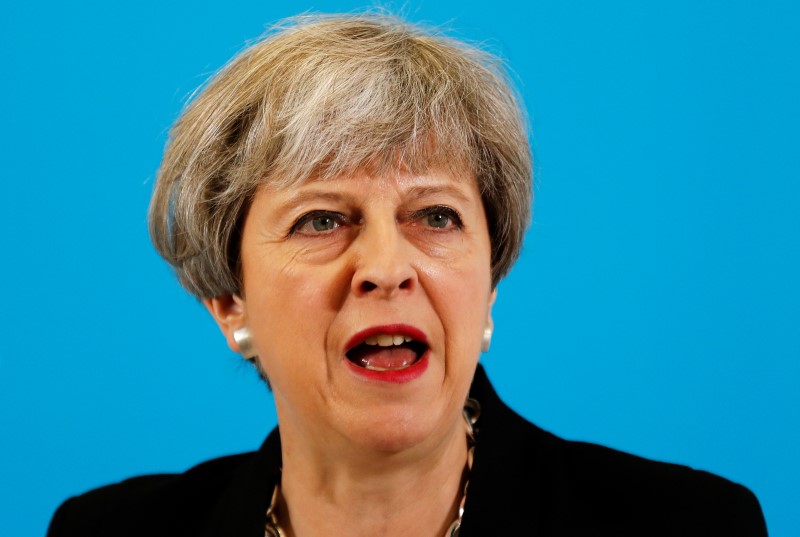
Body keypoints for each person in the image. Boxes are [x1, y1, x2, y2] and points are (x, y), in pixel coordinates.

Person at [47, 13, 767, 537]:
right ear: (229, 300)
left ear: (488, 287)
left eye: (435, 216)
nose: (387, 268)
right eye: (322, 219)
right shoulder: (106, 532)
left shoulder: (691, 525)